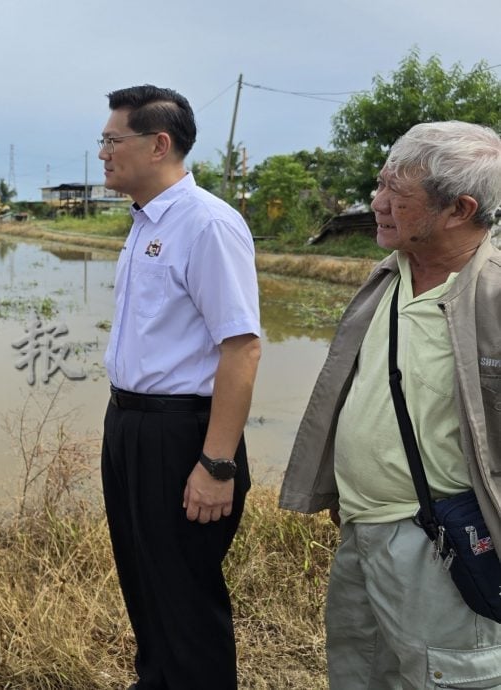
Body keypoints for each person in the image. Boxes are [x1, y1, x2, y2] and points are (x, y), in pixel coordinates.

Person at [280, 121, 501, 688]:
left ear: (459, 209)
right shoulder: (390, 276)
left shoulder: (493, 297)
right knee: (360, 670)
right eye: (379, 185)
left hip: (443, 540)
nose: (376, 204)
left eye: (395, 194)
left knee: (444, 673)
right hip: (361, 527)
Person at [98, 85, 261, 690]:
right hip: (131, 425)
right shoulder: (145, 224)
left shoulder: (208, 225)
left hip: (183, 433)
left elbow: (241, 346)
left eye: (113, 141)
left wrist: (216, 462)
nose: (103, 154)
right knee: (145, 586)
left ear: (158, 144)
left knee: (185, 598)